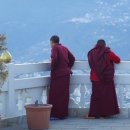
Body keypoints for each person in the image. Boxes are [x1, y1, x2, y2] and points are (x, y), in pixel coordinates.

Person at [85, 39, 120, 119]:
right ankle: (105, 113)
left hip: (95, 78)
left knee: (95, 97)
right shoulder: (107, 52)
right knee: (107, 96)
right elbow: (117, 60)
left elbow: (91, 63)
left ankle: (94, 114)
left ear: (96, 44)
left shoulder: (91, 53)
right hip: (106, 78)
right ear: (104, 45)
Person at [48, 35, 75, 119]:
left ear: (52, 42)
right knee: (64, 94)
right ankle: (63, 114)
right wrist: (68, 68)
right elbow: (73, 58)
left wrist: (52, 68)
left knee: (55, 94)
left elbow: (54, 59)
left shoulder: (55, 48)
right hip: (66, 74)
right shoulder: (64, 48)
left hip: (58, 75)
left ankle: (55, 114)